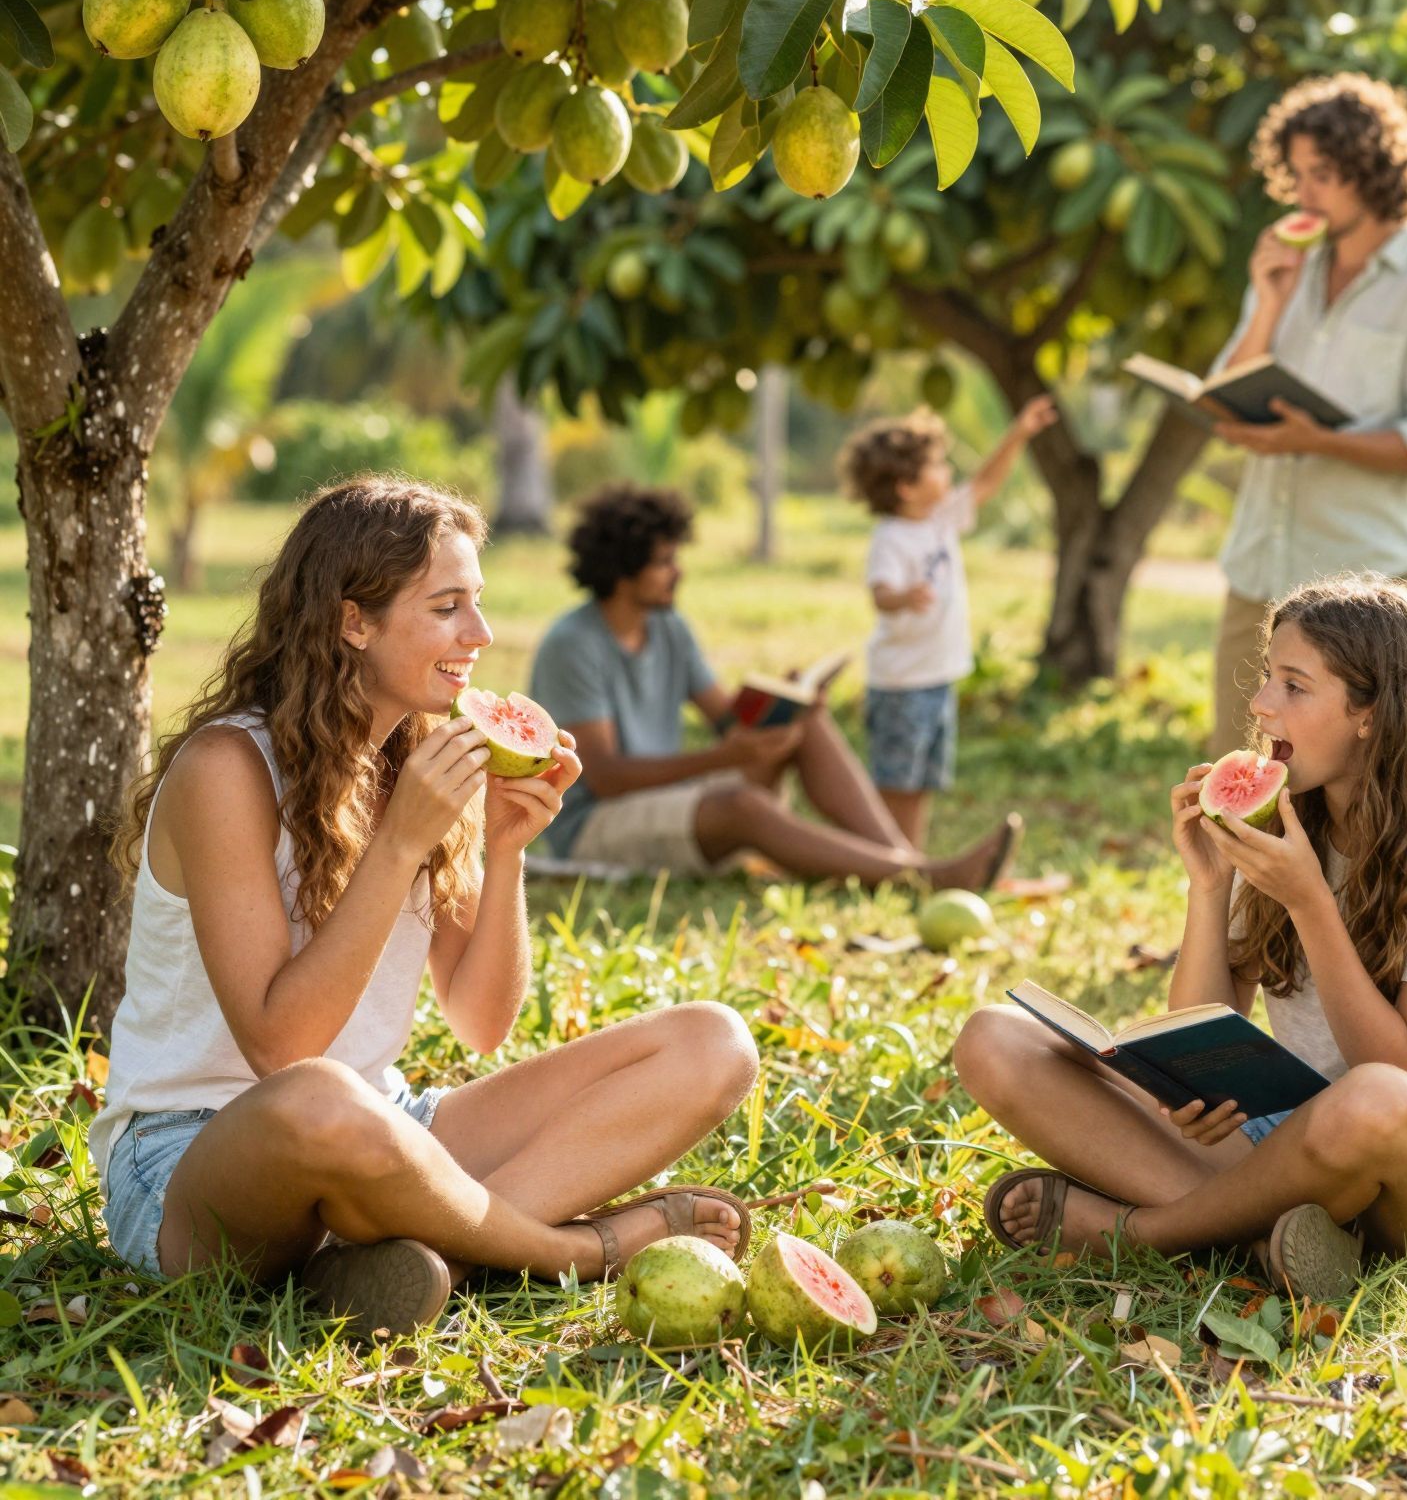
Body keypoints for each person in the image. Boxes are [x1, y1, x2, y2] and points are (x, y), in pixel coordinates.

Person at [90, 476, 761, 1336]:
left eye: (476, 605)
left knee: (713, 1043)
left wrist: (507, 848)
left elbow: (482, 1022)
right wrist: (397, 845)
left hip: (389, 1128)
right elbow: (279, 1048)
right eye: (447, 608)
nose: (479, 636)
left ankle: (388, 1261)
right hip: (193, 1155)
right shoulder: (227, 771)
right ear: (352, 621)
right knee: (319, 1098)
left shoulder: (426, 758)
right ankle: (573, 1252)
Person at [952, 577, 1407, 1297]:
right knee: (995, 1039)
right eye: (1267, 677)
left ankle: (1144, 1233)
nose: (1261, 706)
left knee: (1372, 1099)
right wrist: (1209, 885)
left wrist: (1310, 903)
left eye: (1295, 686)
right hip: (1286, 1141)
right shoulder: (1286, 816)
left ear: (1371, 713)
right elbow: (1201, 1030)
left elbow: (1404, 1068)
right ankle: (1272, 1243)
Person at [529, 484, 1020, 888]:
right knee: (743, 806)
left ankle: (906, 863)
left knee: (809, 725)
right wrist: (724, 758)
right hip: (594, 826)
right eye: (664, 562)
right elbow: (605, 776)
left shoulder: (669, 628)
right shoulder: (573, 644)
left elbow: (728, 722)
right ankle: (924, 878)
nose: (678, 572)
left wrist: (784, 707)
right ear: (621, 572)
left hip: (663, 800)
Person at [1208, 74, 1407, 757]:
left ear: (1376, 169)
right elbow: (1224, 389)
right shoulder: (1292, 270)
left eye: (1324, 175)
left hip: (1364, 596)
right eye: (1297, 175)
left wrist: (1321, 442)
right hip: (1260, 574)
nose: (1304, 195)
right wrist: (1268, 302)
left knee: (1359, 794)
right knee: (1236, 777)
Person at [840, 398, 1056, 846]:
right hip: (902, 682)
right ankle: (886, 855)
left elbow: (985, 483)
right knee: (897, 781)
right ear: (905, 486)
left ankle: (909, 854)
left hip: (938, 675)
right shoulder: (891, 539)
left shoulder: (939, 520)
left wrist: (1019, 432)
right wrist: (905, 596)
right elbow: (880, 595)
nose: (946, 471)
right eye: (936, 465)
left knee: (922, 782)